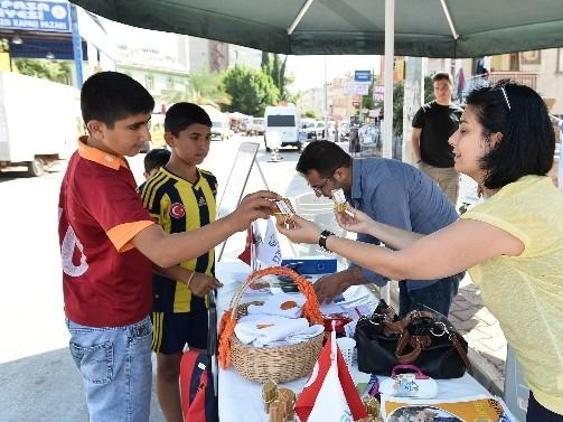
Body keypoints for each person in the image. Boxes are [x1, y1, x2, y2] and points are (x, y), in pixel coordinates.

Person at [279, 81, 563, 421]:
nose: (452, 139)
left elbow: (408, 264)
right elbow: (430, 246)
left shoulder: (518, 207)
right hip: (562, 379)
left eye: (465, 129)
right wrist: (369, 226)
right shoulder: (513, 198)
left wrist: (322, 237)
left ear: (498, 140)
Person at [59, 71, 278, 421]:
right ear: (97, 128)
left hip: (105, 310)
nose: (146, 137)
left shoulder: (100, 162)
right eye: (134, 127)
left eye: (146, 124)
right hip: (115, 319)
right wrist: (236, 220)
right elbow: (158, 251)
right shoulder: (104, 179)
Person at [295, 140, 461, 317]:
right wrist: (346, 276)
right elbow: (367, 237)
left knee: (424, 334)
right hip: (417, 259)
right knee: (408, 325)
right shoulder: (355, 182)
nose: (319, 195)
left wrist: (345, 278)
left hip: (438, 265)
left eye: (319, 187)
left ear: (339, 174)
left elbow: (398, 260)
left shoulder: (383, 185)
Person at [140, 102, 222, 422]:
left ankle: (203, 414)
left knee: (207, 362)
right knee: (169, 366)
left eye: (207, 138)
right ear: (170, 138)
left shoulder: (210, 182)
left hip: (206, 293)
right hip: (168, 297)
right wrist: (187, 278)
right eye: (194, 137)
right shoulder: (152, 190)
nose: (202, 146)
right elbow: (145, 253)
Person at [411, 72, 463, 204]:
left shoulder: (460, 114)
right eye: (437, 87)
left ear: (452, 87)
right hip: (428, 168)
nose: (441, 91)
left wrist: (461, 164)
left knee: (450, 210)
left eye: (445, 86)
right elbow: (414, 138)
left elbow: (463, 141)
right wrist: (419, 162)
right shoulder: (424, 111)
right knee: (425, 207)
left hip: (451, 170)